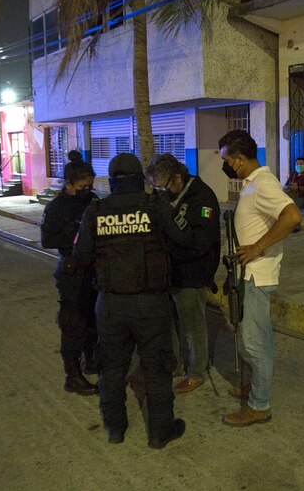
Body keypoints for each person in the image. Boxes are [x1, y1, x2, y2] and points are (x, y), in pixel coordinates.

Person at [73, 152, 192, 449]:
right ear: (140, 178)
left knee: (112, 368)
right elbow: (182, 241)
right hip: (151, 303)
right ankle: (159, 432)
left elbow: (81, 257)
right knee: (157, 368)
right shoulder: (156, 205)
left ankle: (116, 429)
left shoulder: (96, 211)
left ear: (112, 181)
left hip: (111, 304)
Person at [218, 129, 301, 427]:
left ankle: (259, 405)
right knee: (257, 338)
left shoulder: (263, 184)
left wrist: (256, 247)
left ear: (240, 160)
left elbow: (292, 217)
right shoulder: (253, 184)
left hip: (257, 274)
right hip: (249, 273)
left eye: (227, 160)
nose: (226, 165)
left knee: (255, 343)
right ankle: (255, 387)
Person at [145, 153, 221, 395]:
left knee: (192, 326)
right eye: (156, 189)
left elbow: (200, 242)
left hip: (192, 273)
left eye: (163, 187)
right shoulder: (169, 197)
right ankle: (177, 364)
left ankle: (197, 371)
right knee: (172, 324)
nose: (161, 193)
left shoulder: (202, 197)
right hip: (170, 272)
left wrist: (172, 225)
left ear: (177, 177)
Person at [40, 152, 99, 396]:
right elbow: (47, 240)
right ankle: (72, 375)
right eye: (82, 186)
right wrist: (77, 236)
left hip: (93, 271)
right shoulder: (57, 208)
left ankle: (91, 359)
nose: (87, 190)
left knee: (92, 320)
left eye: (90, 185)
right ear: (69, 185)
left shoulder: (92, 200)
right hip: (72, 272)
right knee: (73, 323)